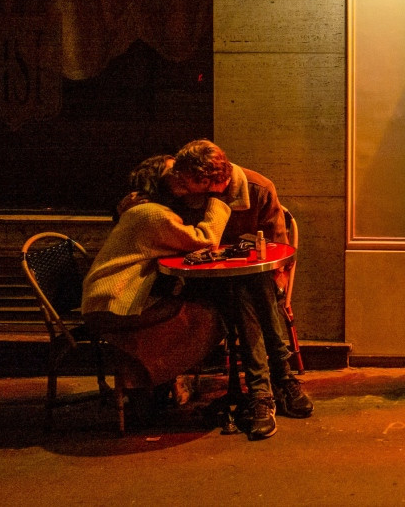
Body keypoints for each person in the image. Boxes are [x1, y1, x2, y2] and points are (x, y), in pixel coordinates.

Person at [165, 139, 312, 439]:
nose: (187, 187)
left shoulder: (258, 189)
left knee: (249, 287)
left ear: (208, 179)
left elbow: (278, 253)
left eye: (191, 182)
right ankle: (279, 381)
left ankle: (262, 392)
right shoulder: (187, 195)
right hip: (206, 287)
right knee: (246, 288)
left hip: (258, 286)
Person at [81, 156, 230, 415]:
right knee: (203, 316)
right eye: (174, 174)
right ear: (157, 182)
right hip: (113, 303)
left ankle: (151, 388)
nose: (182, 176)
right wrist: (217, 198)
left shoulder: (146, 211)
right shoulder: (151, 214)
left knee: (188, 308)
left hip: (110, 298)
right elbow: (205, 240)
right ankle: (150, 382)